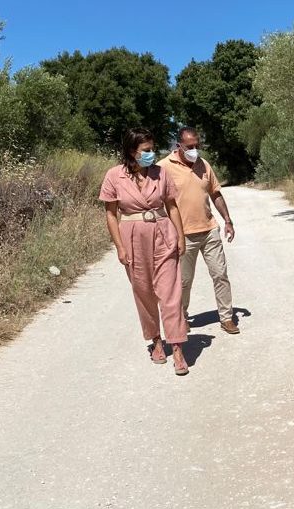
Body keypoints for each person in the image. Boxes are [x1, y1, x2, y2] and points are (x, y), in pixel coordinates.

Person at [100, 128, 190, 376]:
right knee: (144, 292)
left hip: (163, 234)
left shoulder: (162, 174)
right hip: (132, 237)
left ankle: (178, 347)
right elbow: (110, 213)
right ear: (132, 152)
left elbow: (172, 205)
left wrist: (180, 236)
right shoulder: (114, 176)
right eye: (146, 151)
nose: (152, 154)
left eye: (152, 149)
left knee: (171, 293)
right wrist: (119, 246)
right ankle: (157, 341)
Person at [156, 127, 239, 335]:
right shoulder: (163, 168)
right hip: (182, 235)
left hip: (209, 230)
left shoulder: (204, 165)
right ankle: (181, 318)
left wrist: (228, 220)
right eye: (190, 147)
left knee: (220, 274)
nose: (194, 150)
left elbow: (215, 194)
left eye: (197, 146)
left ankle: (227, 318)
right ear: (179, 146)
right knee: (183, 282)